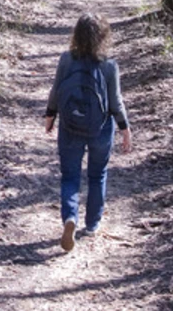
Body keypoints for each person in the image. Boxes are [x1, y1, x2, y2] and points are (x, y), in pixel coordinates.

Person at [44, 13, 132, 252]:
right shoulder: (109, 65)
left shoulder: (66, 59)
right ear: (103, 37)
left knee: (70, 176)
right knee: (97, 174)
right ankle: (92, 223)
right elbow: (115, 102)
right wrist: (125, 128)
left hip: (70, 126)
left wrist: (50, 116)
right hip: (100, 129)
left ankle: (70, 217)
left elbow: (56, 91)